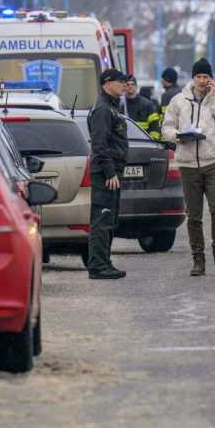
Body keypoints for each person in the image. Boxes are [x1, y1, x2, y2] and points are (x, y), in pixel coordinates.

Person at [161, 58, 215, 276]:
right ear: (193, 78)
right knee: (193, 215)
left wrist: (213, 101)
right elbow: (166, 127)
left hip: (213, 161)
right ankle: (198, 259)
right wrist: (178, 136)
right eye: (199, 77)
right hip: (188, 163)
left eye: (206, 77)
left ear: (211, 78)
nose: (202, 80)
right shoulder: (178, 100)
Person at [86, 68, 130, 280]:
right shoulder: (103, 109)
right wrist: (109, 171)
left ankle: (104, 262)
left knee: (109, 218)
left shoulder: (111, 107)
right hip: (105, 173)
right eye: (120, 82)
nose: (124, 85)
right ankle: (98, 266)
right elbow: (99, 145)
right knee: (102, 219)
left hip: (111, 171)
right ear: (107, 83)